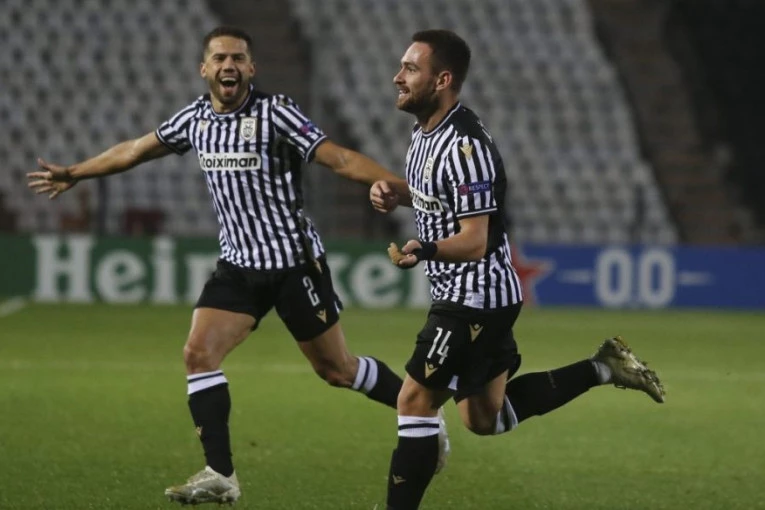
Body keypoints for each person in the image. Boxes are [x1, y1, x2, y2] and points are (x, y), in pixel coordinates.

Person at [27, 26, 449, 506]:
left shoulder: (276, 112)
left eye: (238, 58)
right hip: (238, 267)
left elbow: (339, 158)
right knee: (197, 353)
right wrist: (75, 173)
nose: (229, 65)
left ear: (251, 68)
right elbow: (136, 149)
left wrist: (408, 193)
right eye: (220, 58)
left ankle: (424, 414)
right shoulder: (194, 119)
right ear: (204, 69)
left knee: (337, 370)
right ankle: (221, 474)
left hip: (294, 265)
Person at [369, 29, 665, 510]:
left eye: (410, 68)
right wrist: (395, 193)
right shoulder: (425, 134)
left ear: (442, 80)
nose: (397, 77)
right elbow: (435, 195)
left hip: (474, 299)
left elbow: (474, 240)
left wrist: (424, 250)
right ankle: (603, 368)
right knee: (485, 419)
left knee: (414, 402)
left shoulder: (464, 146)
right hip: (475, 295)